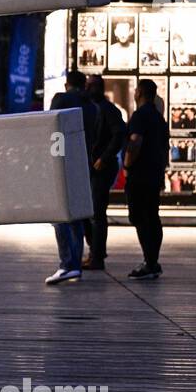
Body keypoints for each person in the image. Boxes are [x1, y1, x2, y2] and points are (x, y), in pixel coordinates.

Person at [46, 71, 97, 285]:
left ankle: (67, 264)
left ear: (67, 85)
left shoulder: (61, 99)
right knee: (77, 215)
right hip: (83, 163)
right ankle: (74, 263)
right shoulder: (93, 106)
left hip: (63, 161)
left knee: (59, 215)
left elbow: (51, 128)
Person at [123, 78, 169, 280]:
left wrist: (127, 164)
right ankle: (153, 260)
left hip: (140, 174)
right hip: (155, 173)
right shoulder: (159, 118)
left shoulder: (140, 116)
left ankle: (149, 262)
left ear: (139, 93)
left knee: (139, 217)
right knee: (152, 216)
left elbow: (135, 142)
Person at [83, 74, 126, 271]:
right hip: (93, 165)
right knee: (89, 212)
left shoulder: (108, 110)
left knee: (96, 213)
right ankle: (96, 251)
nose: (89, 89)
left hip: (102, 166)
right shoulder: (92, 109)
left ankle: (97, 255)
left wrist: (104, 158)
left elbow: (119, 135)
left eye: (92, 85)